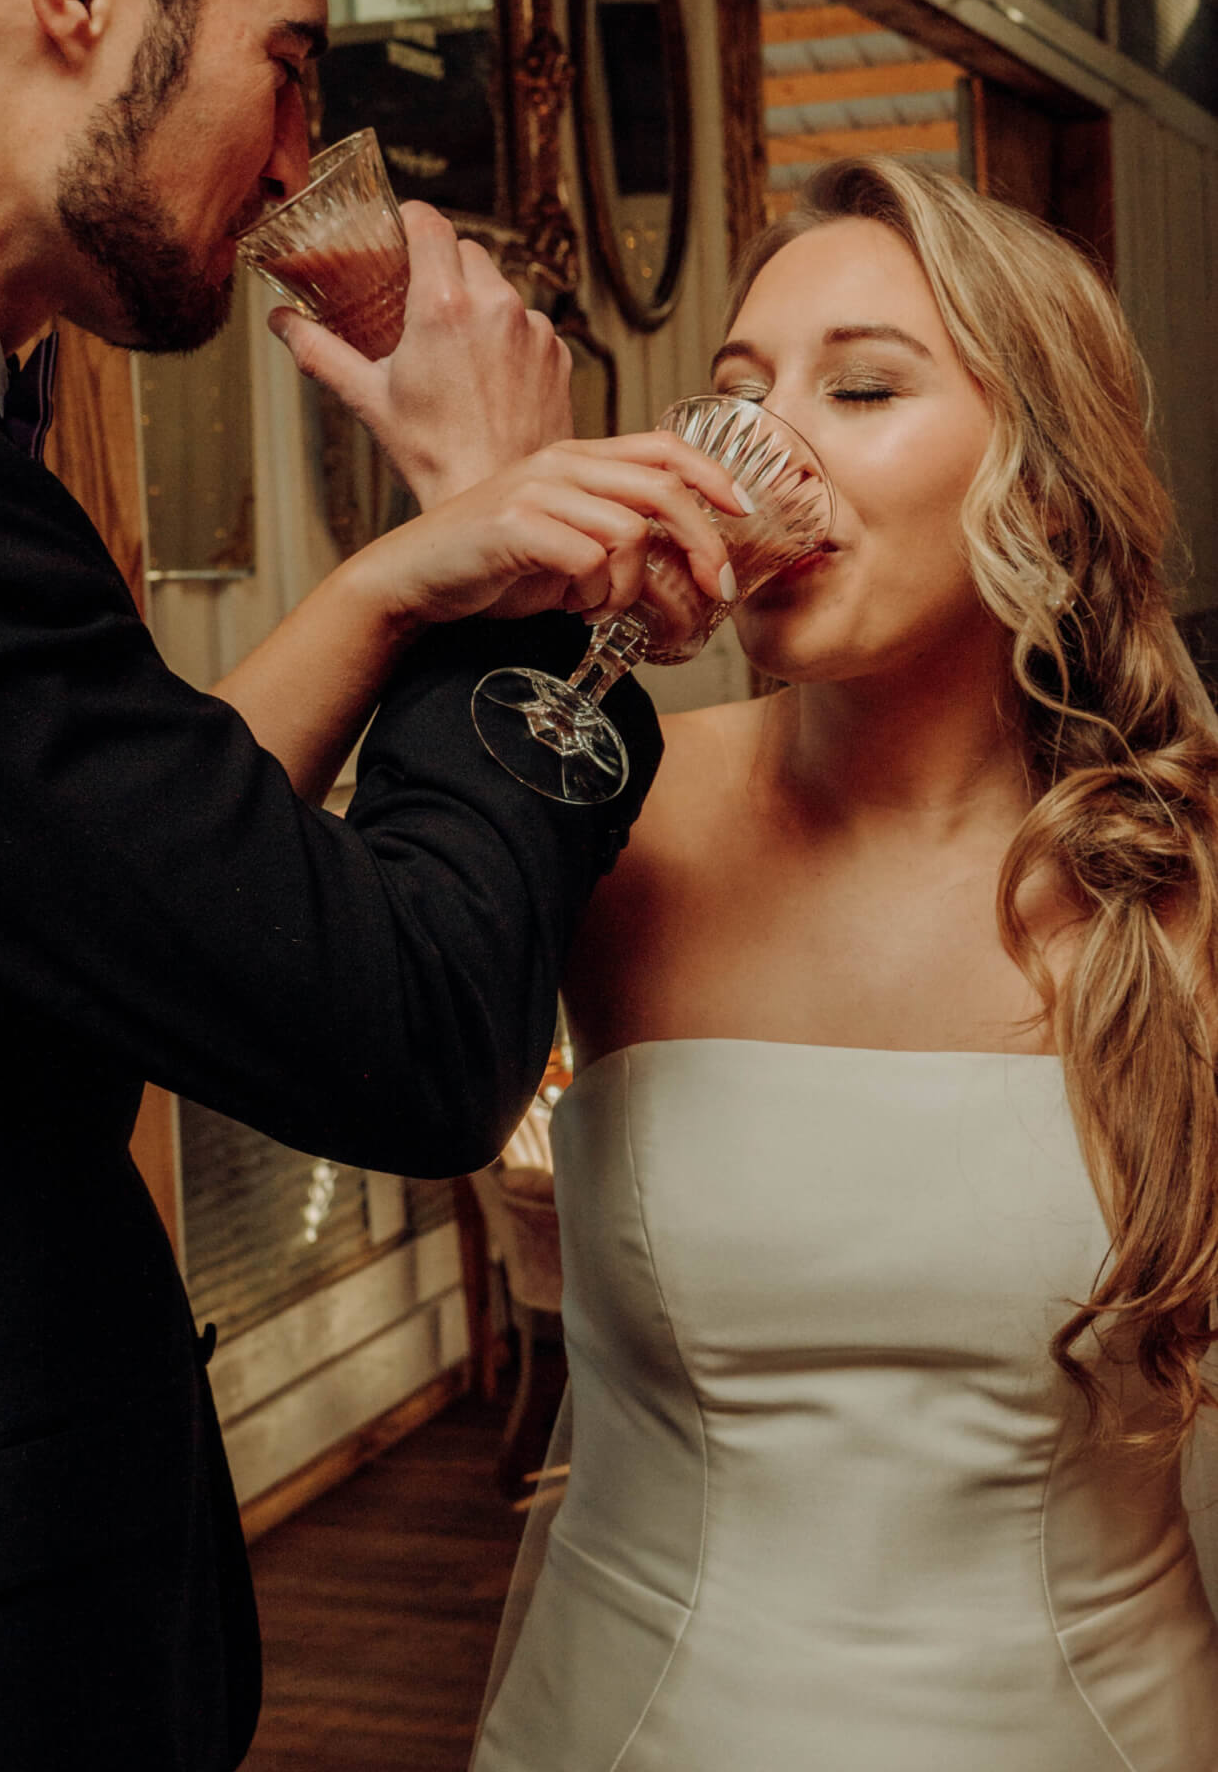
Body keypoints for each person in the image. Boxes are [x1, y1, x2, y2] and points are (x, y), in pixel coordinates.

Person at [0, 0, 745, 1767]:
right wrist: (519, 551)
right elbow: (410, 1031)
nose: (294, 155)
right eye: (287, 62)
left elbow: (98, 853)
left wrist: (393, 579)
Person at [470, 154, 1218, 1772]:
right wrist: (446, 574)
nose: (759, 454)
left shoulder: (1183, 870)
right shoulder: (615, 806)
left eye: (860, 387)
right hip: (635, 1724)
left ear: (1043, 484)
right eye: (732, 397)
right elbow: (189, 936)